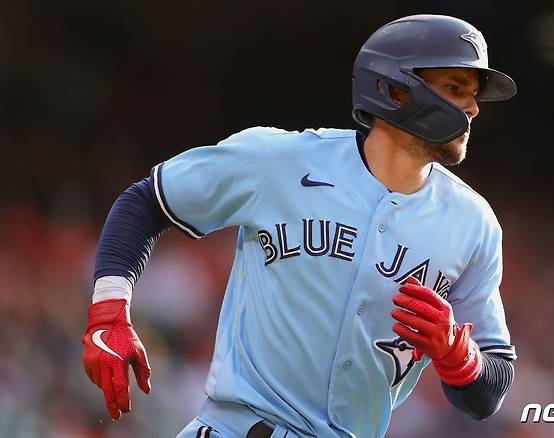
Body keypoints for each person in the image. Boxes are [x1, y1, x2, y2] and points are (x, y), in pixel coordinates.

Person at [82, 14, 517, 438]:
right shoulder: (280, 160)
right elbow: (147, 202)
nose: (474, 108)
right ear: (397, 90)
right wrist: (109, 313)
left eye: (473, 93)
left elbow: (488, 392)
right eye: (455, 88)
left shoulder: (473, 223)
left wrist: (460, 357)